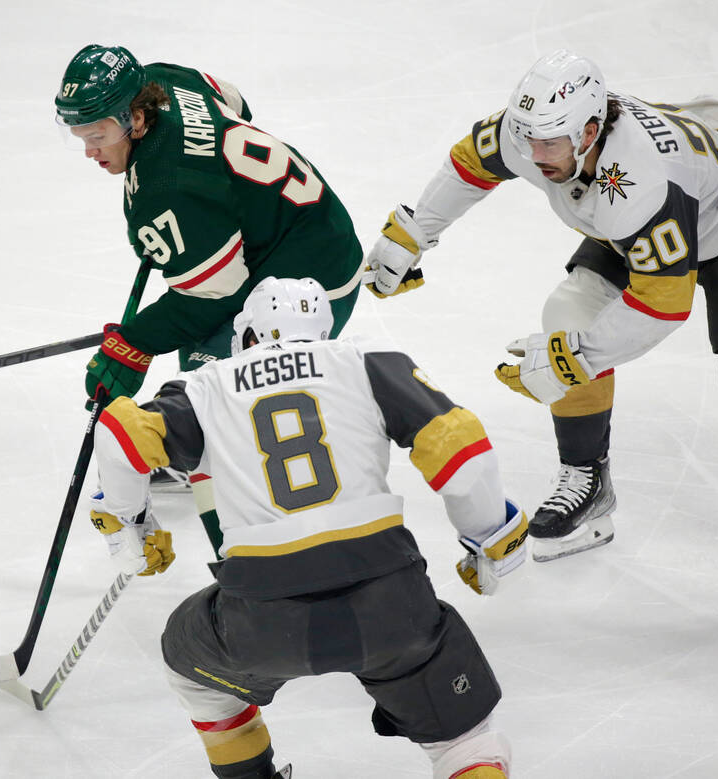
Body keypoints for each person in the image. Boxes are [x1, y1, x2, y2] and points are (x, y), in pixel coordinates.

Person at [363, 49, 718, 613]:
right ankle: (588, 481)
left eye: (551, 144)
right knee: (568, 316)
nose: (535, 158)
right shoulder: (539, 134)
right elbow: (471, 162)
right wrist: (415, 231)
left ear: (589, 131)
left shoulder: (637, 183)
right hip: (674, 205)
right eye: (528, 139)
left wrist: (572, 362)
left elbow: (661, 305)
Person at [88, 277, 527, 778]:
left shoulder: (205, 386)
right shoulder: (364, 360)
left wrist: (127, 526)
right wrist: (490, 538)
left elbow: (120, 433)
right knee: (463, 742)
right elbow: (461, 450)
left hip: (261, 618)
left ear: (249, 336)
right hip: (390, 601)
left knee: (192, 669)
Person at [54, 44, 366, 545]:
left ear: (135, 117)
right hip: (312, 230)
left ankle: (239, 559)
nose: (89, 150)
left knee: (215, 401)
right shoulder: (162, 80)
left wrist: (132, 343)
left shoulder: (167, 189)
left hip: (308, 284)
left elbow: (214, 297)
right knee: (202, 376)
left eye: (98, 135)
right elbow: (236, 104)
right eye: (81, 136)